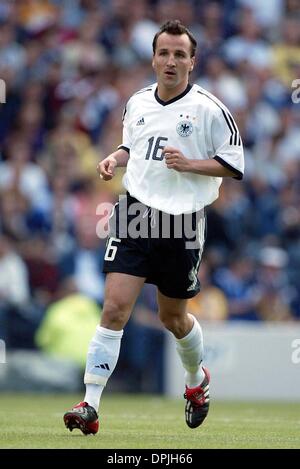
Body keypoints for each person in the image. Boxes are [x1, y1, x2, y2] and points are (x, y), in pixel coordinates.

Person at [63, 19, 244, 435]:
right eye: (164, 53)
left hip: (182, 221)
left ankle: (196, 381)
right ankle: (90, 405)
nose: (171, 60)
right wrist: (115, 157)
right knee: (114, 309)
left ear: (192, 62)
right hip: (135, 211)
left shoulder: (211, 110)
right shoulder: (138, 102)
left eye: (180, 54)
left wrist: (191, 164)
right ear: (153, 58)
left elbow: (235, 165)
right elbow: (136, 146)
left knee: (173, 318)